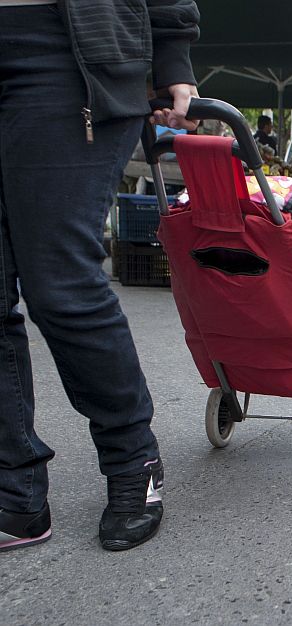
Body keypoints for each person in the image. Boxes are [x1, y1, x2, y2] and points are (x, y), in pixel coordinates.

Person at [0, 0, 200, 552]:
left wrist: (173, 55)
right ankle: (14, 491)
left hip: (63, 54)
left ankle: (133, 460)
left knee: (59, 284)